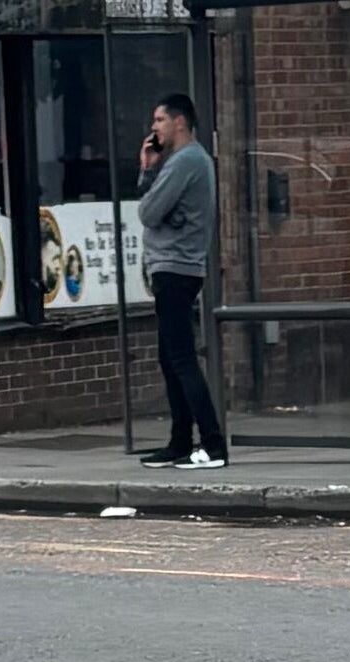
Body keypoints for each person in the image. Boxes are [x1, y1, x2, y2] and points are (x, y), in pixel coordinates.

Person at [136, 94, 224, 467]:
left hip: (176, 268)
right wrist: (150, 167)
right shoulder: (183, 161)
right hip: (175, 268)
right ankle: (180, 441)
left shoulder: (186, 160)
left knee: (182, 359)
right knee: (171, 359)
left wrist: (152, 172)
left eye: (159, 120)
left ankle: (213, 445)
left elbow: (148, 210)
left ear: (179, 123)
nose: (154, 127)